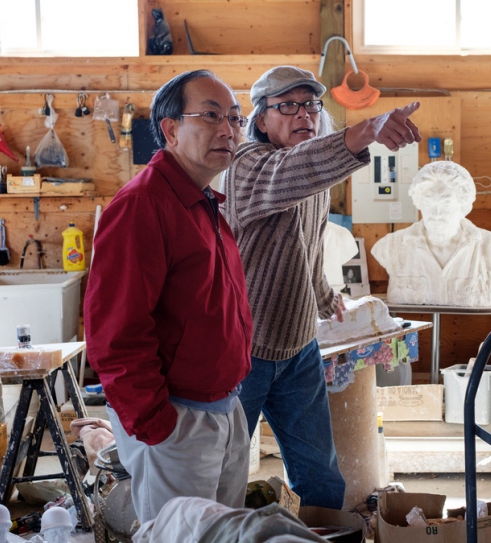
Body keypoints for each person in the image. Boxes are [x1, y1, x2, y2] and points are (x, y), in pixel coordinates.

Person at [222, 65, 420, 509]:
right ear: (260, 120)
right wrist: (369, 129)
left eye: (310, 105)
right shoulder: (247, 165)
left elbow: (307, 247)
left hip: (297, 349)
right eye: (286, 106)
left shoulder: (313, 181)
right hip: (241, 352)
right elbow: (295, 169)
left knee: (323, 481)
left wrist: (327, 297)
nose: (303, 115)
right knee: (223, 480)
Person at [84, 70, 253, 522]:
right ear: (171, 129)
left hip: (222, 407)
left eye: (235, 118)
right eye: (212, 116)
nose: (229, 130)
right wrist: (157, 426)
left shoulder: (202, 201)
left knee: (219, 534)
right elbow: (114, 334)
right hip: (177, 420)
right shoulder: (143, 205)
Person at [371, 161, 491, 307]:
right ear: (419, 203)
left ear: (463, 204)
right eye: (428, 203)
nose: (436, 214)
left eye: (446, 204)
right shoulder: (390, 247)